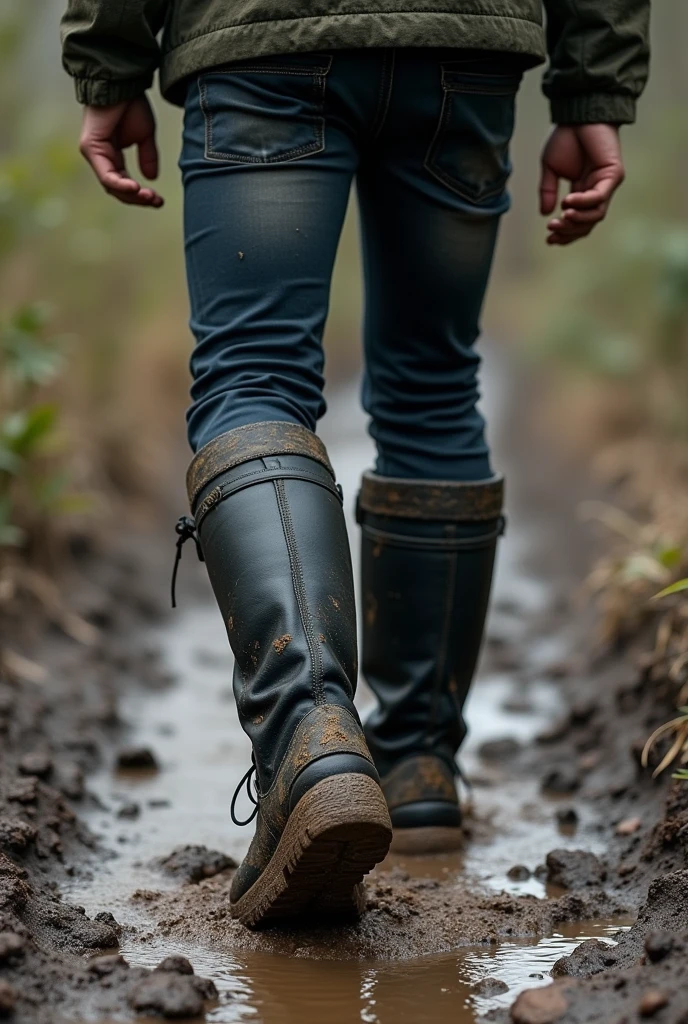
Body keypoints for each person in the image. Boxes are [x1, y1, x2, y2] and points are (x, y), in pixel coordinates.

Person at [61, 0, 650, 928]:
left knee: (253, 376)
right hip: (462, 48)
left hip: (261, 41)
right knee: (434, 384)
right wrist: (595, 85)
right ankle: (418, 768)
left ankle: (310, 738)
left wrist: (109, 61)